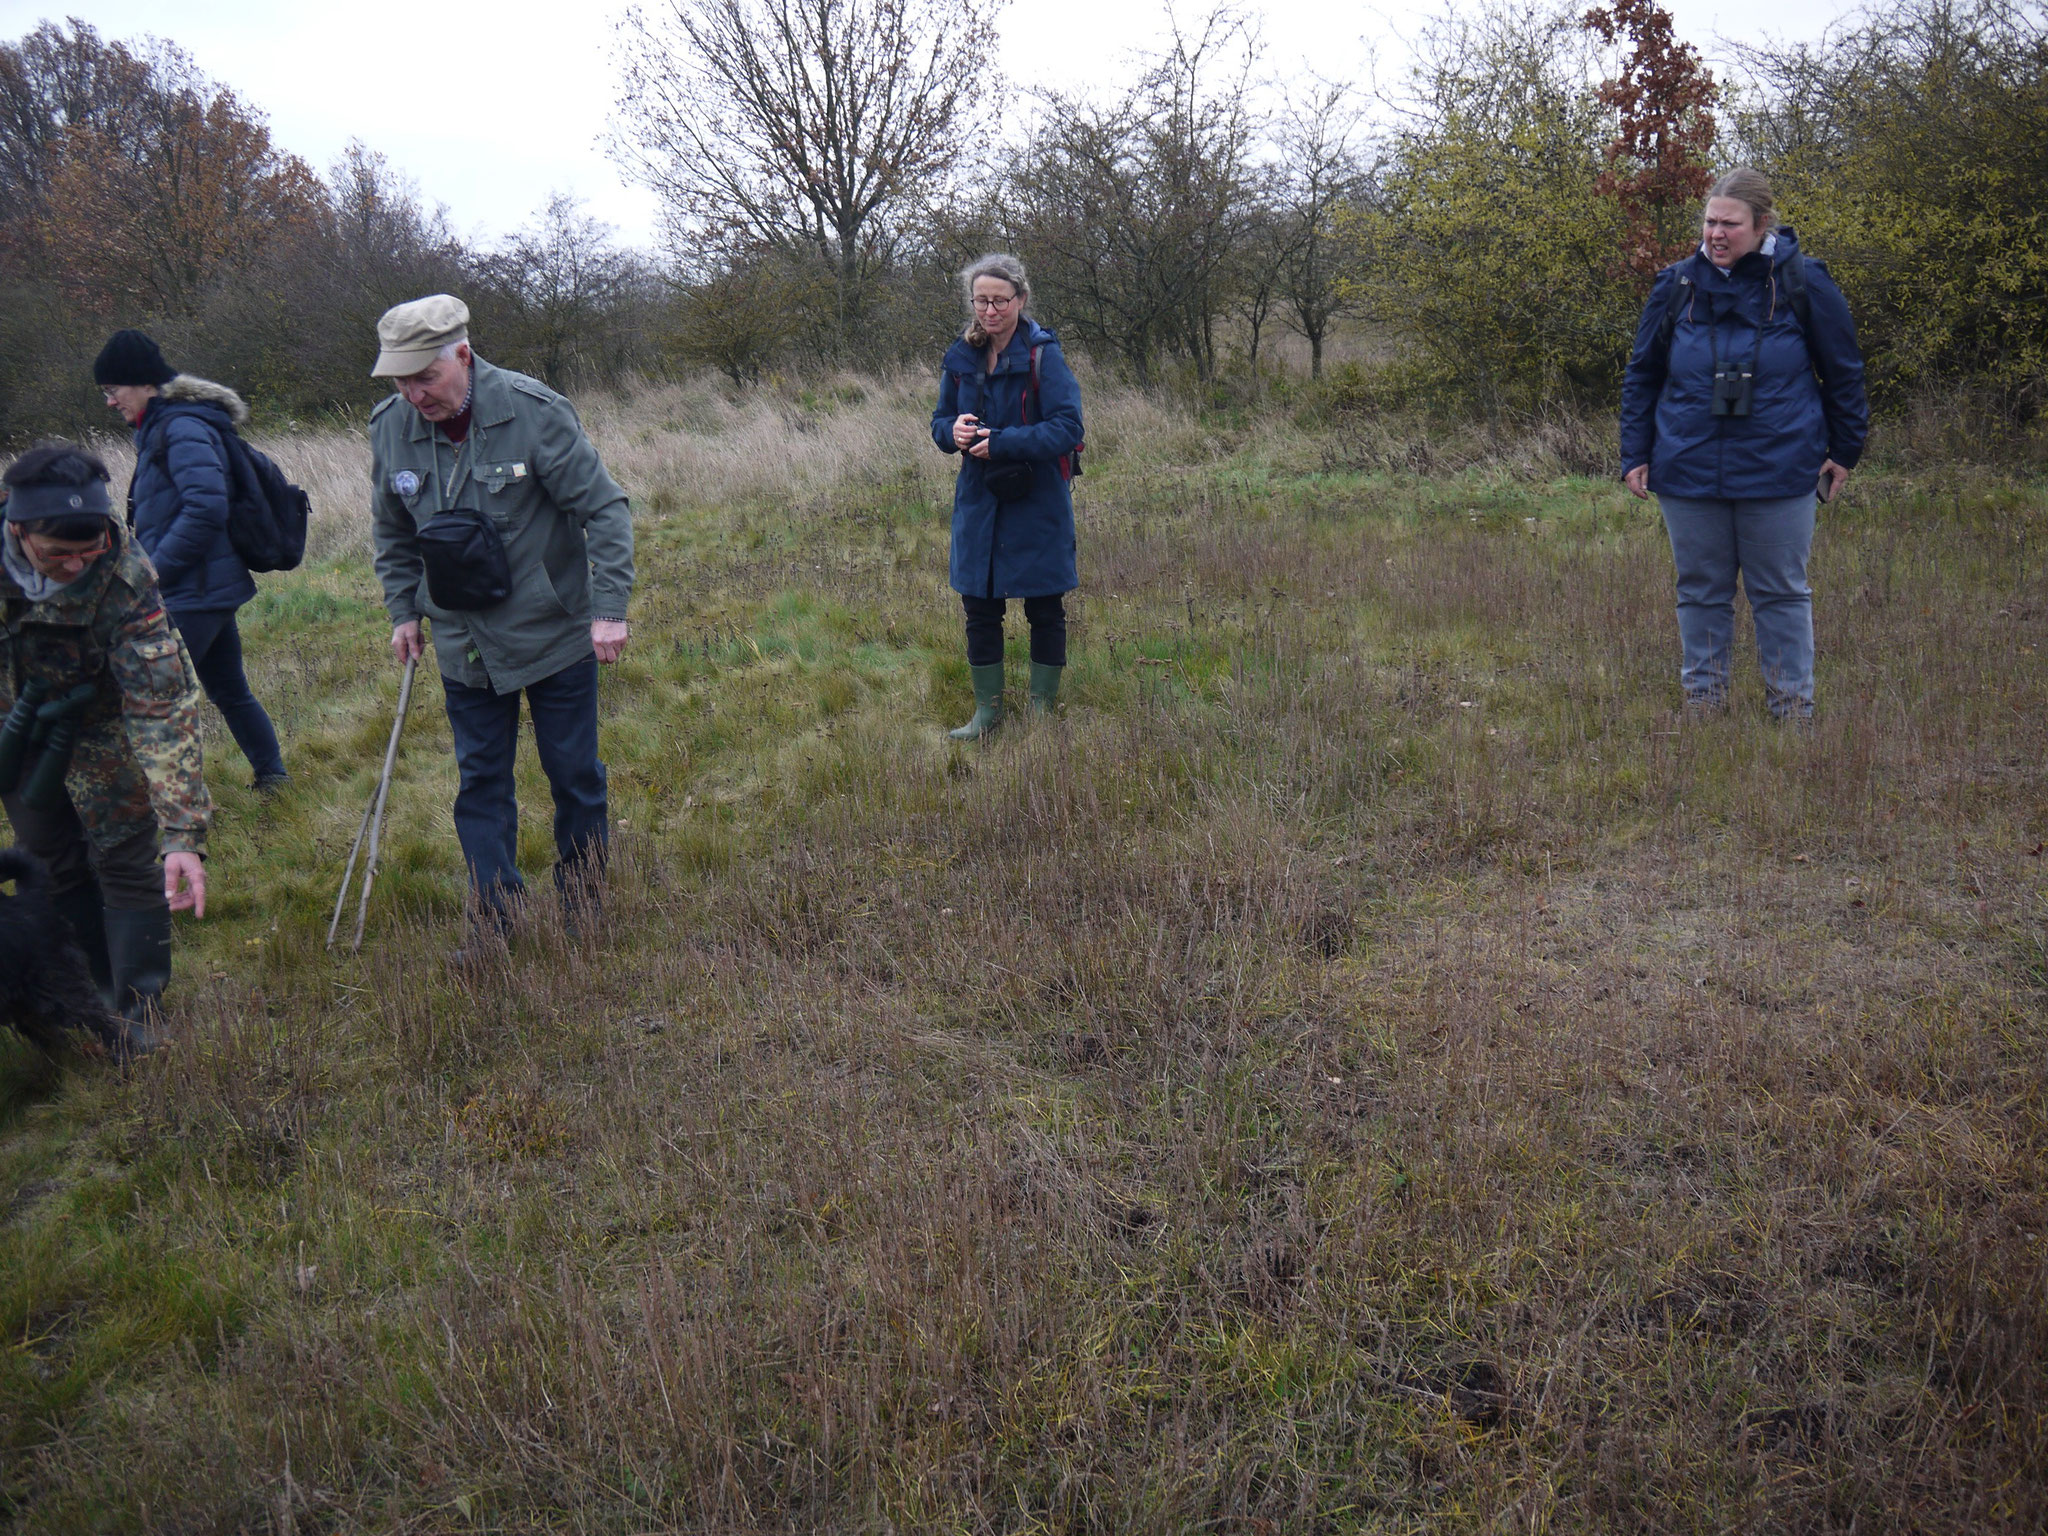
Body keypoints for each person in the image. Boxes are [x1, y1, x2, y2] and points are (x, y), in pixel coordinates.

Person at [366, 294, 634, 960]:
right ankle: (496, 919)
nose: (414, 394)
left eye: (425, 377)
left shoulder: (534, 413)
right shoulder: (390, 428)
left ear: (463, 354)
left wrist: (608, 610)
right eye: (400, 380)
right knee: (480, 782)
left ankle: (584, 904)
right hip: (464, 644)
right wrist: (404, 609)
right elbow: (392, 529)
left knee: (572, 774)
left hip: (553, 632)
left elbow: (605, 511)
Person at [1620, 167, 1869, 720]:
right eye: (1709, 222)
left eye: (1729, 224)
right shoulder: (1676, 285)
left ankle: (1791, 709)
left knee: (1780, 593)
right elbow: (1642, 376)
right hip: (1687, 467)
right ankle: (1704, 702)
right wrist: (1635, 453)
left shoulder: (1805, 283)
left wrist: (1845, 450)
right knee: (1701, 590)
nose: (1716, 234)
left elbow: (1845, 373)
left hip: (1780, 468)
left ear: (1761, 225)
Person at [0, 442, 212, 1056]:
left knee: (125, 856)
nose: (76, 564)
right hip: (12, 727)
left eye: (88, 548)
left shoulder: (124, 574)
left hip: (101, 722)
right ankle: (86, 991)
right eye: (57, 553)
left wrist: (183, 835)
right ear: (18, 530)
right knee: (48, 859)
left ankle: (138, 1007)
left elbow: (163, 706)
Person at [94, 329, 289, 790]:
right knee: (229, 689)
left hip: (193, 590)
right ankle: (273, 778)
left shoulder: (180, 427)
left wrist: (155, 569)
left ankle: (151, 807)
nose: (109, 402)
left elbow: (206, 506)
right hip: (203, 586)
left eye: (112, 390)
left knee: (149, 699)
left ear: (143, 383)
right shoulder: (166, 426)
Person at [930, 253, 1085, 739]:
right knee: (979, 608)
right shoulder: (961, 358)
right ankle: (986, 715)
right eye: (981, 300)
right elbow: (938, 421)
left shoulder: (1044, 355)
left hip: (1037, 500)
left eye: (1000, 300)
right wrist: (949, 431)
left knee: (1044, 607)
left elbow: (1068, 428)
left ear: (1020, 299)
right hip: (979, 502)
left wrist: (1002, 442)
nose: (990, 310)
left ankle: (1041, 712)